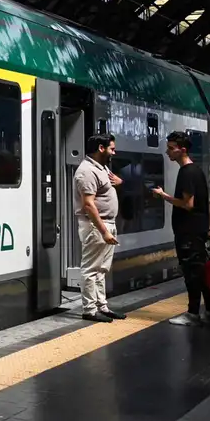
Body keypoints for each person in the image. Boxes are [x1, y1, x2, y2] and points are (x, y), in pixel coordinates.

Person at [152, 130, 210, 327]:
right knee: (201, 272)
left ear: (182, 150)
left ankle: (193, 314)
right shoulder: (197, 170)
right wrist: (208, 228)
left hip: (188, 232)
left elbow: (188, 204)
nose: (168, 152)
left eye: (171, 148)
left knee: (192, 274)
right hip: (197, 229)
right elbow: (208, 202)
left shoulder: (186, 172)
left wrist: (163, 195)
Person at [74, 133, 126, 322]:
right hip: (96, 226)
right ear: (101, 148)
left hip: (106, 224)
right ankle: (89, 310)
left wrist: (119, 183)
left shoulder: (101, 167)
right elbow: (88, 205)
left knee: (102, 269)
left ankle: (101, 306)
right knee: (91, 269)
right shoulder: (87, 171)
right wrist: (103, 231)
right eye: (112, 149)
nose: (114, 152)